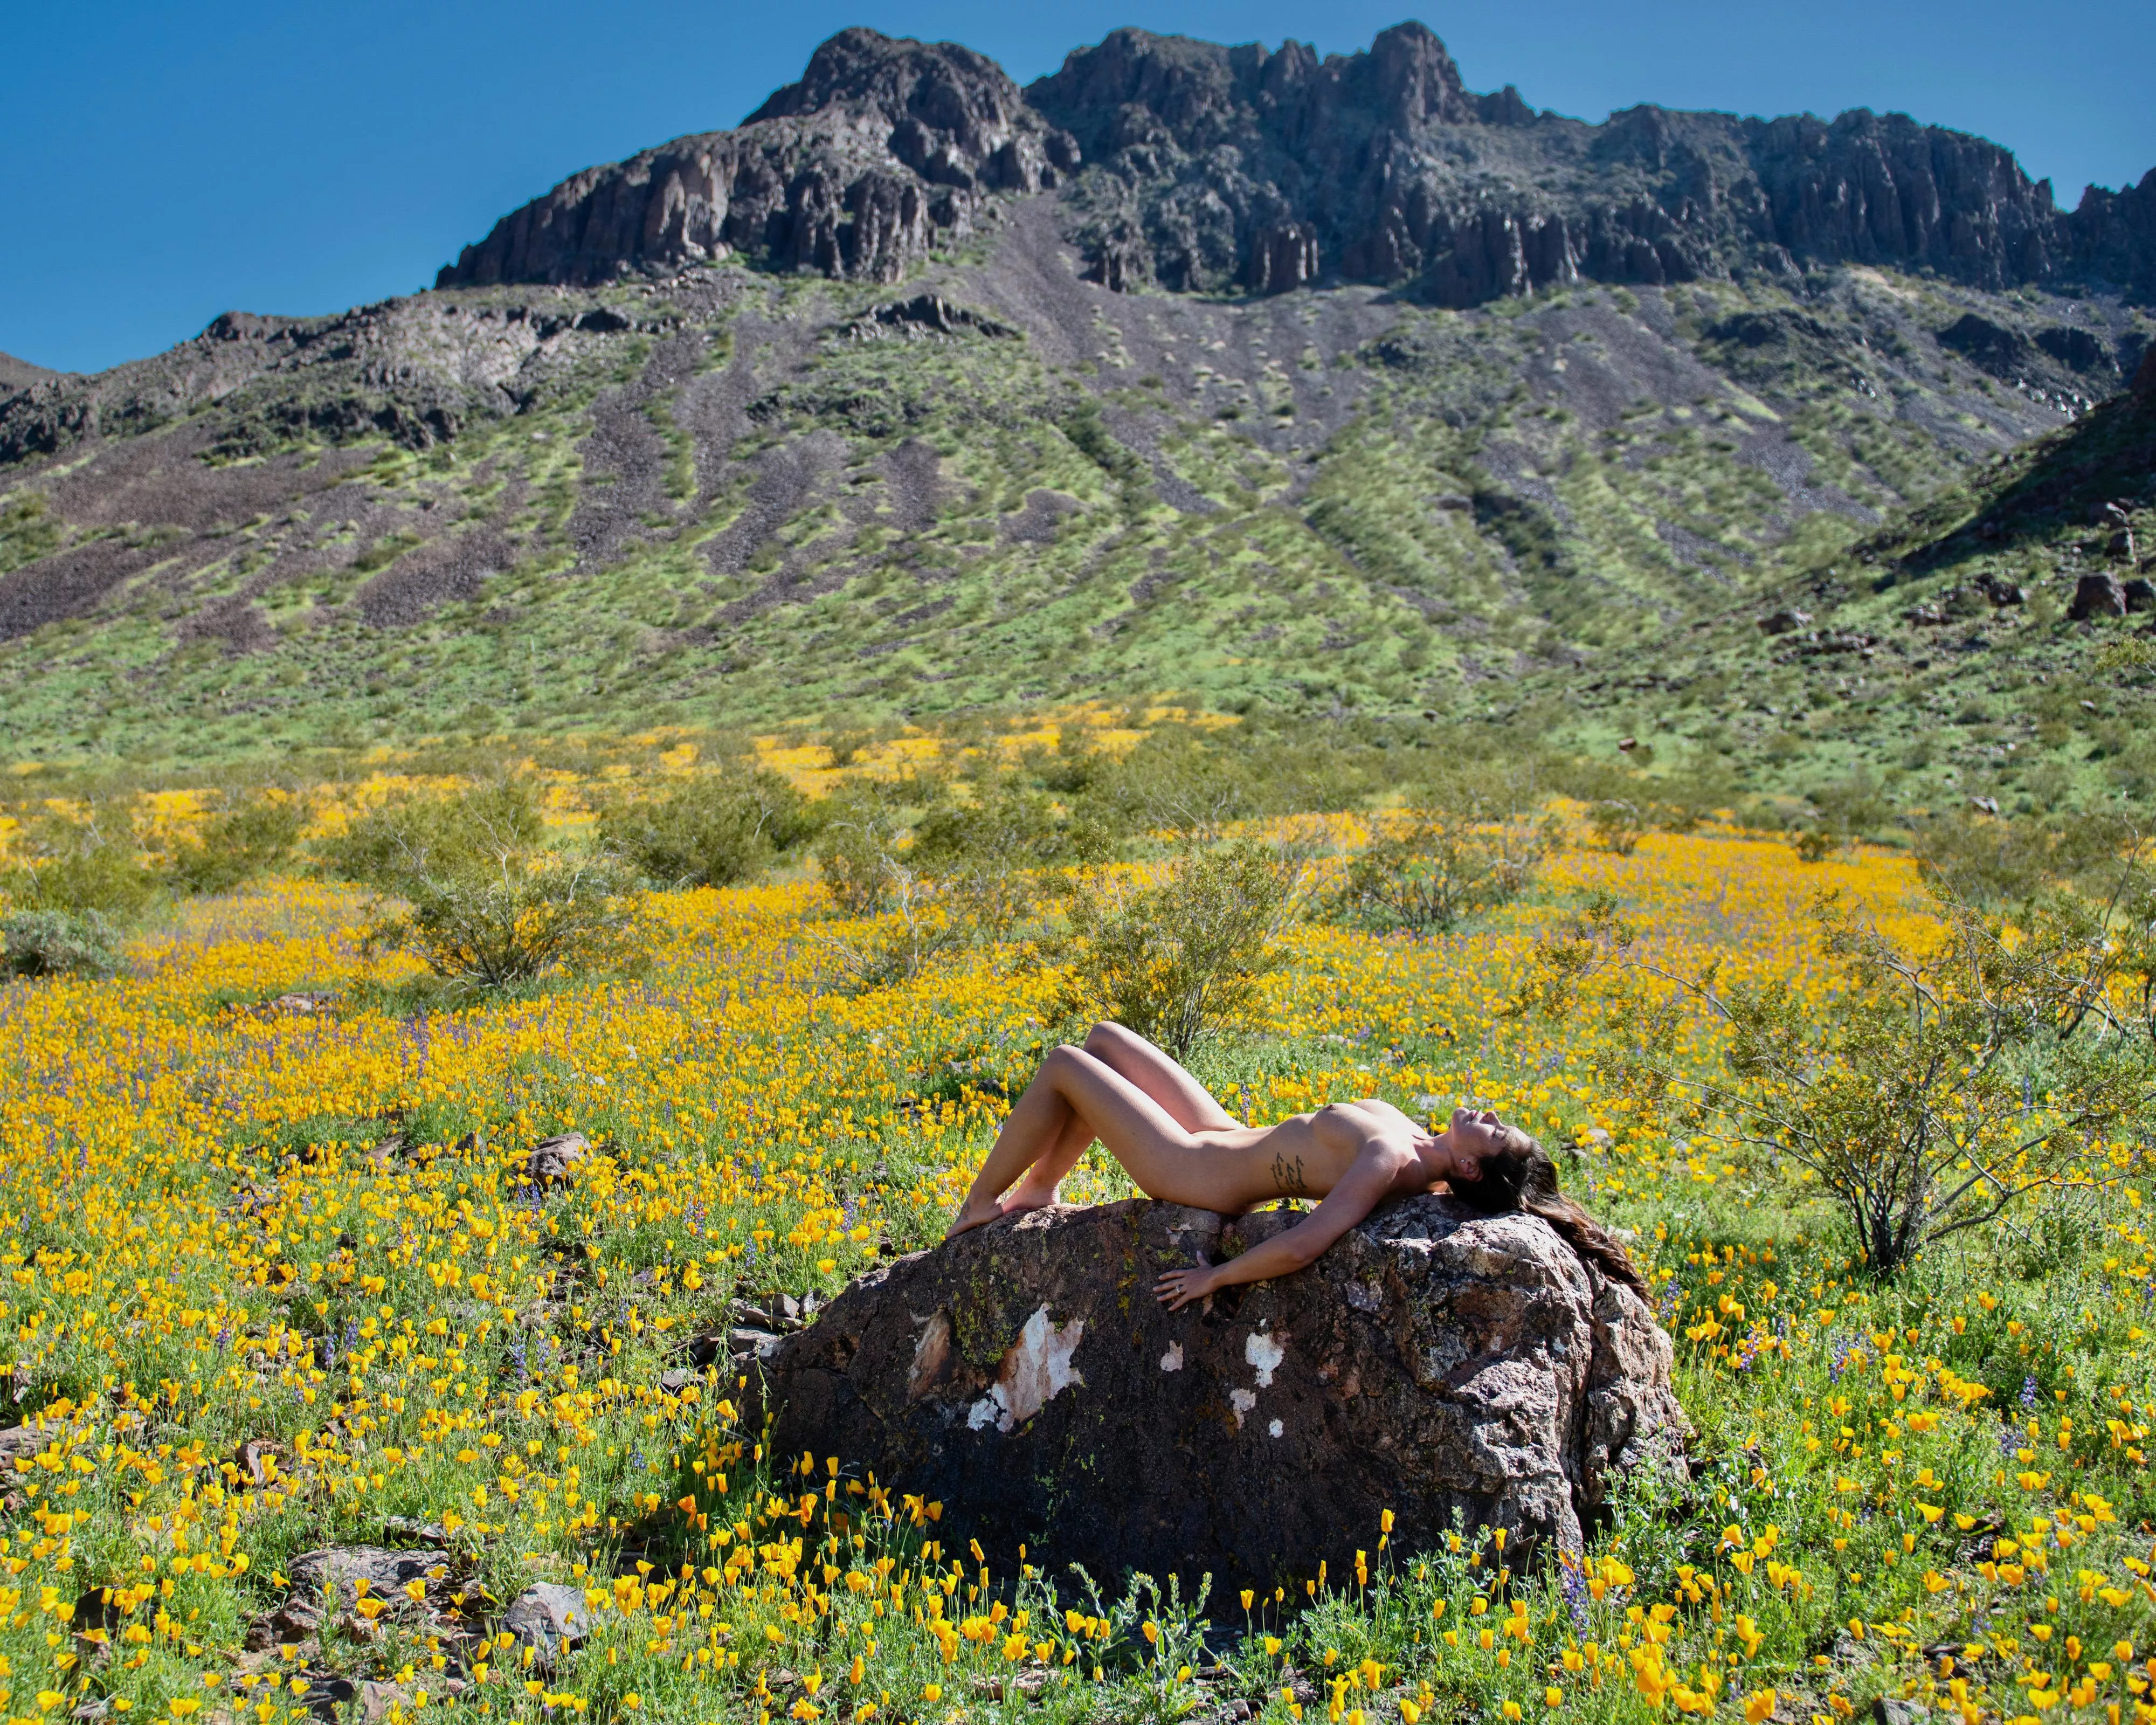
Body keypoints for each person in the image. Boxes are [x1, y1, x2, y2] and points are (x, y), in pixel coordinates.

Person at [947, 1021, 1646, 1309]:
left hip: (1193, 1169)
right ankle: (1041, 1186)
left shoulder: (1389, 1158)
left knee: (1068, 1065)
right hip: (1223, 1131)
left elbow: (1310, 1241)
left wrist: (1215, 1276)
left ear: (1467, 1168)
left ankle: (981, 1204)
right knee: (1102, 1038)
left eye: (1492, 1134)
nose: (1487, 1115)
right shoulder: (1415, 1140)